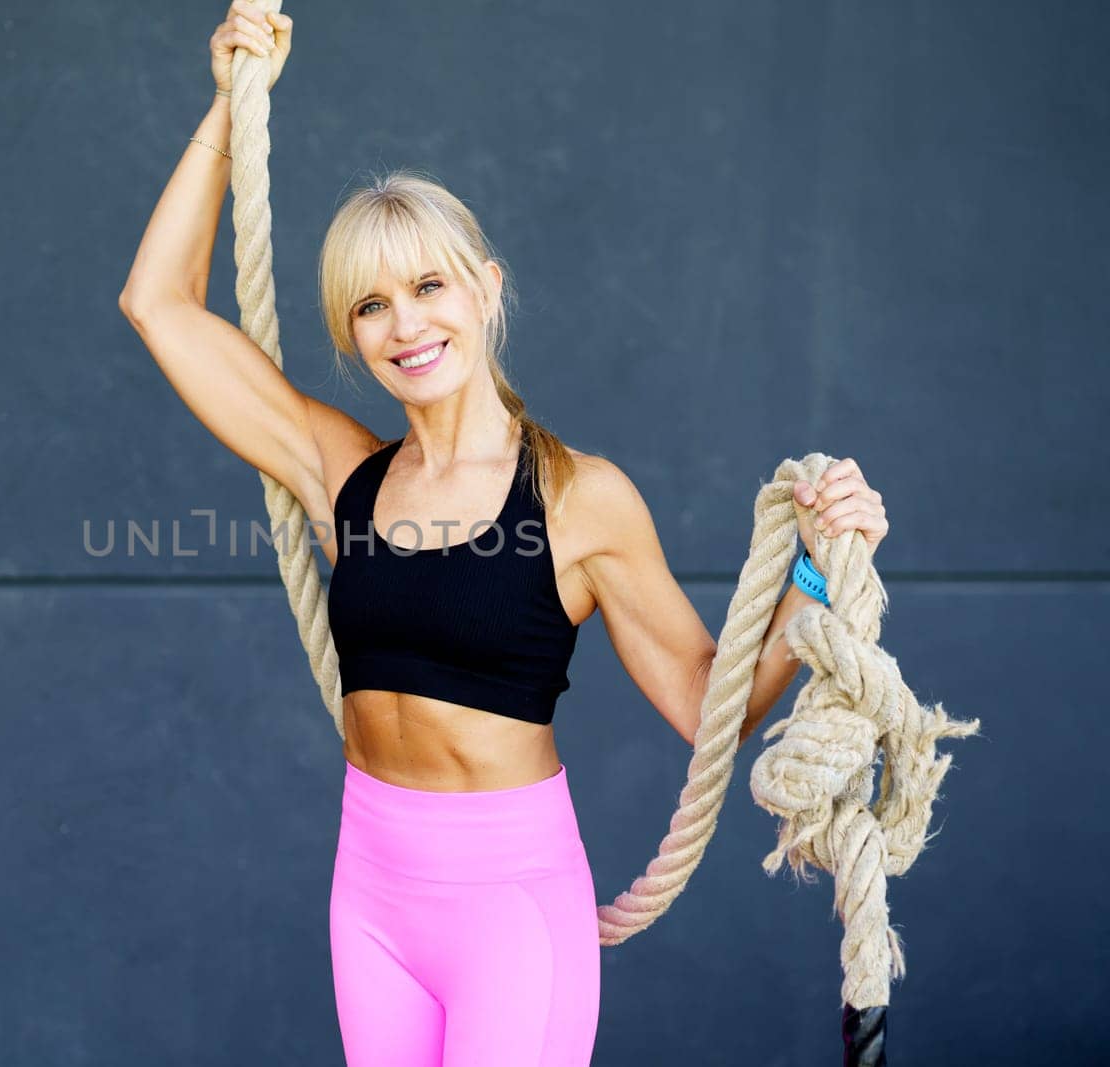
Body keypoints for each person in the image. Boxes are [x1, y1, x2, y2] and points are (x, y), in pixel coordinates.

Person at [117, 4, 891, 1063]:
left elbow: (708, 702)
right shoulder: (339, 469)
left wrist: (815, 562)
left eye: (429, 286)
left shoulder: (580, 499)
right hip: (372, 896)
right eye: (371, 305)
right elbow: (157, 302)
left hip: (510, 910)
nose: (405, 325)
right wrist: (227, 98)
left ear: (483, 291)